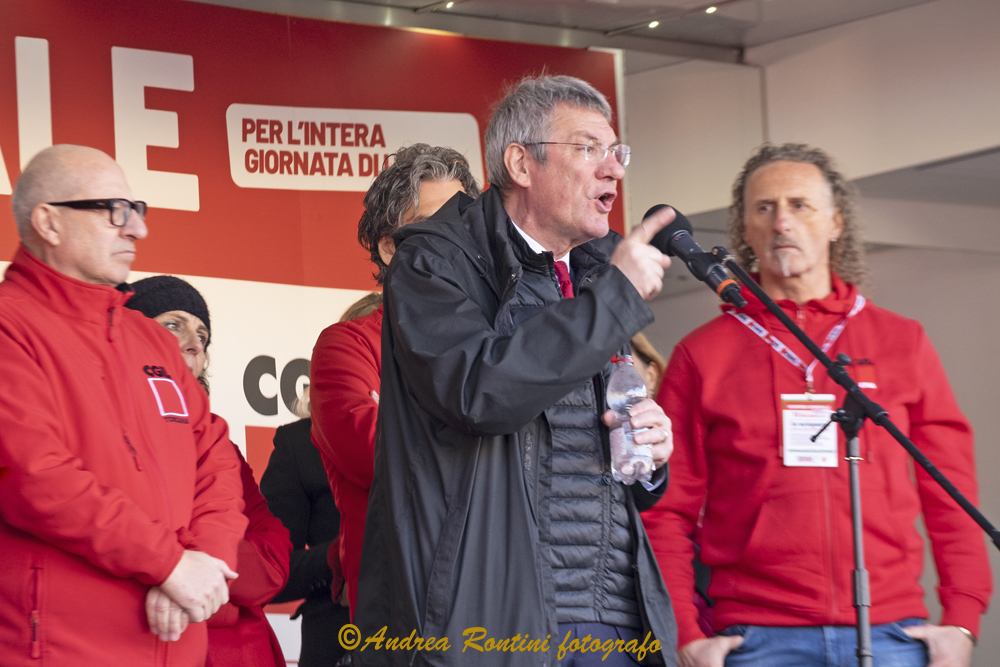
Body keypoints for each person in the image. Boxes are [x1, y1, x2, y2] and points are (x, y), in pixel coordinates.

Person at [354, 75, 678, 666]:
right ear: (521, 163)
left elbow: (586, 451)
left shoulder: (594, 272)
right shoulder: (432, 262)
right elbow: (479, 392)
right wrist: (613, 300)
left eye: (616, 152)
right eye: (588, 148)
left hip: (613, 619)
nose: (612, 169)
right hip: (495, 624)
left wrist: (649, 455)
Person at [642, 143, 992, 667]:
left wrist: (962, 620)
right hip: (754, 639)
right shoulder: (701, 355)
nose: (782, 221)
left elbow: (951, 492)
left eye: (799, 205)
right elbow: (667, 509)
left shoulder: (903, 341)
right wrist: (686, 634)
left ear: (835, 223)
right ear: (745, 230)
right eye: (765, 208)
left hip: (894, 633)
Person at [0, 145, 246, 665]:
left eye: (136, 210)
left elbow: (216, 461)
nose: (137, 229)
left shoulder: (151, 339)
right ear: (49, 222)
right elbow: (34, 476)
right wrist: (169, 564)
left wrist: (204, 560)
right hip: (60, 649)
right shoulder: (9, 327)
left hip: (176, 643)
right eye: (114, 211)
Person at [310, 144, 480, 620]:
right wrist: (489, 434)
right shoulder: (346, 346)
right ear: (389, 247)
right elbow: (379, 455)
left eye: (465, 222)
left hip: (505, 599)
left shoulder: (503, 338)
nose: (456, 240)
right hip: (406, 609)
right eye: (434, 224)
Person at [125, 274, 292, 667]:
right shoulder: (104, 431)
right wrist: (216, 589)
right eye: (173, 325)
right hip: (142, 648)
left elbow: (273, 560)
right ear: (127, 336)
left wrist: (191, 576)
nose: (194, 343)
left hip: (244, 654)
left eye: (203, 335)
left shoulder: (221, 445)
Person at [262, 384, 351, 667]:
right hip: (340, 642)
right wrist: (341, 556)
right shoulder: (300, 443)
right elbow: (271, 572)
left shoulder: (437, 434)